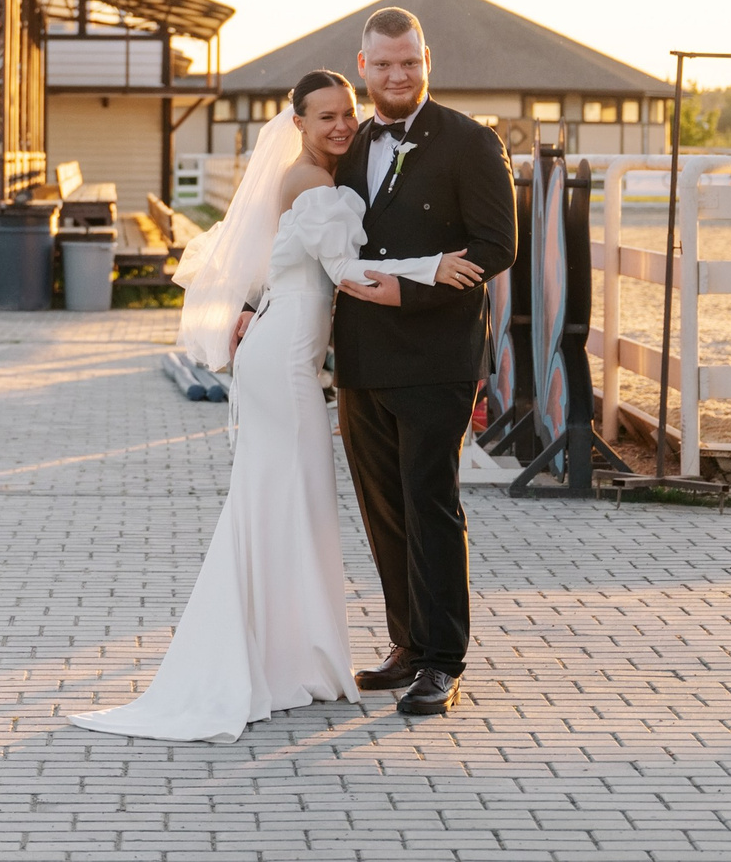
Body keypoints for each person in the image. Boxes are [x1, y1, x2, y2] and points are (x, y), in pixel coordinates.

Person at [72, 69, 485, 742]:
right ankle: (271, 660)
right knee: (288, 499)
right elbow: (349, 275)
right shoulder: (311, 183)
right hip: (285, 361)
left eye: (345, 112)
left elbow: (274, 265)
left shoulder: (308, 180)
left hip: (283, 351)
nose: (340, 125)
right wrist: (433, 266)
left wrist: (245, 305)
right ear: (297, 124)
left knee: (288, 500)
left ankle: (291, 657)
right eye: (323, 116)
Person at [318, 4, 516, 717]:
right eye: (384, 63)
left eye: (410, 61)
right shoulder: (349, 141)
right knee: (382, 508)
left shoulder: (471, 142)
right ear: (364, 65)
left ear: (427, 59)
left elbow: (497, 247)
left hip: (437, 355)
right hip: (363, 356)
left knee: (431, 504)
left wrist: (411, 289)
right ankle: (406, 641)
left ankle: (442, 659)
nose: (398, 74)